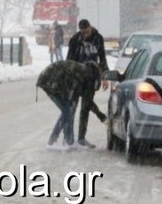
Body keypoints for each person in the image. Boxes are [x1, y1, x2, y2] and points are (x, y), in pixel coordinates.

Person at [36, 60, 100, 147]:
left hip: (48, 79)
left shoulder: (83, 72)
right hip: (50, 81)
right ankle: (55, 140)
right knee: (68, 111)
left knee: (68, 110)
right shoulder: (83, 74)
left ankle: (66, 140)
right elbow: (71, 91)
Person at [67, 19, 109, 147]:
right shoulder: (75, 40)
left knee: (85, 106)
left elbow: (102, 58)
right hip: (76, 77)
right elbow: (69, 59)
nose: (85, 35)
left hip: (91, 77)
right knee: (71, 109)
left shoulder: (98, 38)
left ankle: (81, 138)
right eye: (82, 32)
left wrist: (104, 77)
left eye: (87, 32)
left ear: (90, 28)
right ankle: (68, 139)